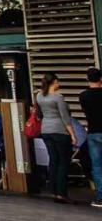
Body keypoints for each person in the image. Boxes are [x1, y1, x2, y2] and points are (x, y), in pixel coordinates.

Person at [37, 72, 77, 204]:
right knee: (63, 162)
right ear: (54, 82)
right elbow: (65, 117)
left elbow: (39, 114)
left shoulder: (39, 96)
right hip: (59, 130)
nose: (59, 84)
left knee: (53, 160)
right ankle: (61, 193)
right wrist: (72, 134)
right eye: (58, 82)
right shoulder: (58, 97)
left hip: (45, 130)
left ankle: (53, 191)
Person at [80, 67, 102, 209]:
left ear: (87, 79)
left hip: (93, 132)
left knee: (97, 166)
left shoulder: (83, 96)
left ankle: (101, 197)